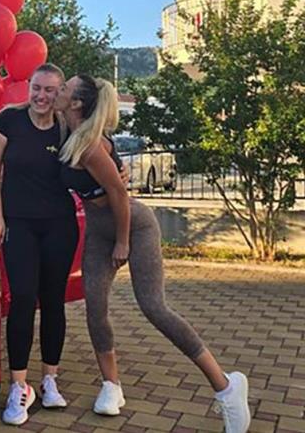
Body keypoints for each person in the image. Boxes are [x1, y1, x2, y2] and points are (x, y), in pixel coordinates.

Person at [55, 74, 251, 433]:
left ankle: (226, 386)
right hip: (99, 232)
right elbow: (30, 106)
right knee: (95, 307)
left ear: (77, 103)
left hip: (134, 227)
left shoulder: (90, 146)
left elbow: (118, 194)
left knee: (154, 307)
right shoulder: (67, 131)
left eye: (64, 88)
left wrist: (123, 242)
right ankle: (111, 385)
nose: (58, 91)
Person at [0, 63, 78, 426]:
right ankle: (19, 386)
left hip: (59, 225)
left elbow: (96, 150)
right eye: (37, 88)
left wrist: (119, 170)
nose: (41, 96)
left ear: (60, 93)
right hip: (18, 224)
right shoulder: (9, 120)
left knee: (53, 300)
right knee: (23, 298)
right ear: (29, 88)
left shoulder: (66, 126)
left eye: (50, 90)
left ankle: (50, 379)